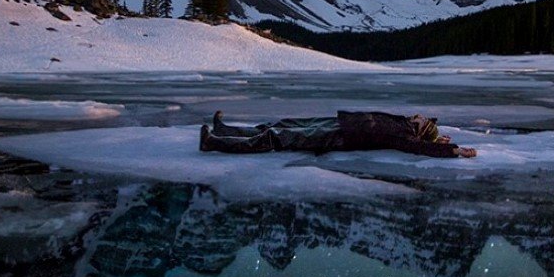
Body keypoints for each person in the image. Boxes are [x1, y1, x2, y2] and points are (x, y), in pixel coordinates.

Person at [199, 110, 477, 158]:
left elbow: (421, 149)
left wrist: (452, 150)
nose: (419, 116)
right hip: (339, 123)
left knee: (278, 137)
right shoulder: (403, 123)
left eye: (423, 120)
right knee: (282, 123)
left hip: (339, 137)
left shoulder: (404, 136)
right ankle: (225, 130)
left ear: (421, 128)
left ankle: (214, 143)